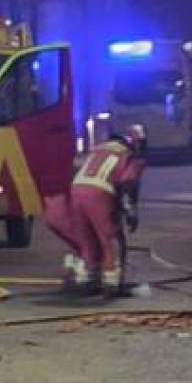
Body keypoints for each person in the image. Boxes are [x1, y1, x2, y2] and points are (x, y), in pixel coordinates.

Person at [68, 125, 148, 297]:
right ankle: (112, 284)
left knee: (87, 241)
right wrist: (130, 211)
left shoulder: (99, 149)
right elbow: (128, 183)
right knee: (110, 241)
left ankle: (85, 279)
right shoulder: (131, 156)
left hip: (76, 191)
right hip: (99, 195)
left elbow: (76, 167)